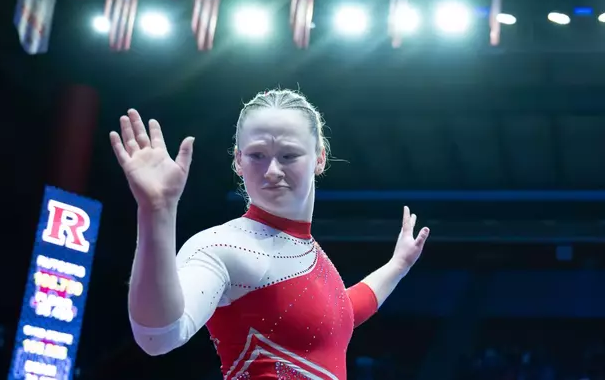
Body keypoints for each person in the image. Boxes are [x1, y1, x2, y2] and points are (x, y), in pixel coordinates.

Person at [110, 89, 430, 379]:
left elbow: (342, 312)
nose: (272, 171)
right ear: (238, 160)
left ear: (319, 158)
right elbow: (158, 336)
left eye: (288, 156)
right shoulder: (224, 246)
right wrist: (157, 214)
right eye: (257, 155)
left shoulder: (308, 255)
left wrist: (398, 265)